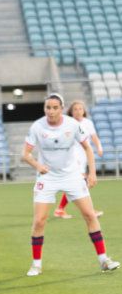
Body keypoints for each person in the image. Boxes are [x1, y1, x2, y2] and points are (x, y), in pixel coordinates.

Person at [21, 93, 119, 276]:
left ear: (61, 108)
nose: (50, 111)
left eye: (54, 108)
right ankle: (36, 264)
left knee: (90, 215)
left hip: (72, 175)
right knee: (39, 221)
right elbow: (25, 154)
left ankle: (104, 260)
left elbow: (88, 147)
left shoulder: (73, 125)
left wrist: (92, 172)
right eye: (47, 108)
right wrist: (37, 165)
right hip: (47, 178)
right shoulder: (37, 127)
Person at [54, 101, 104, 219]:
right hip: (72, 156)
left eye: (80, 109)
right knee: (80, 182)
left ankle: (60, 209)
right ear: (71, 111)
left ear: (84, 111)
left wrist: (99, 147)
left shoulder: (88, 123)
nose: (78, 111)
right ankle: (89, 210)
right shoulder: (68, 123)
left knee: (77, 183)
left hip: (84, 156)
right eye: (75, 109)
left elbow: (94, 137)